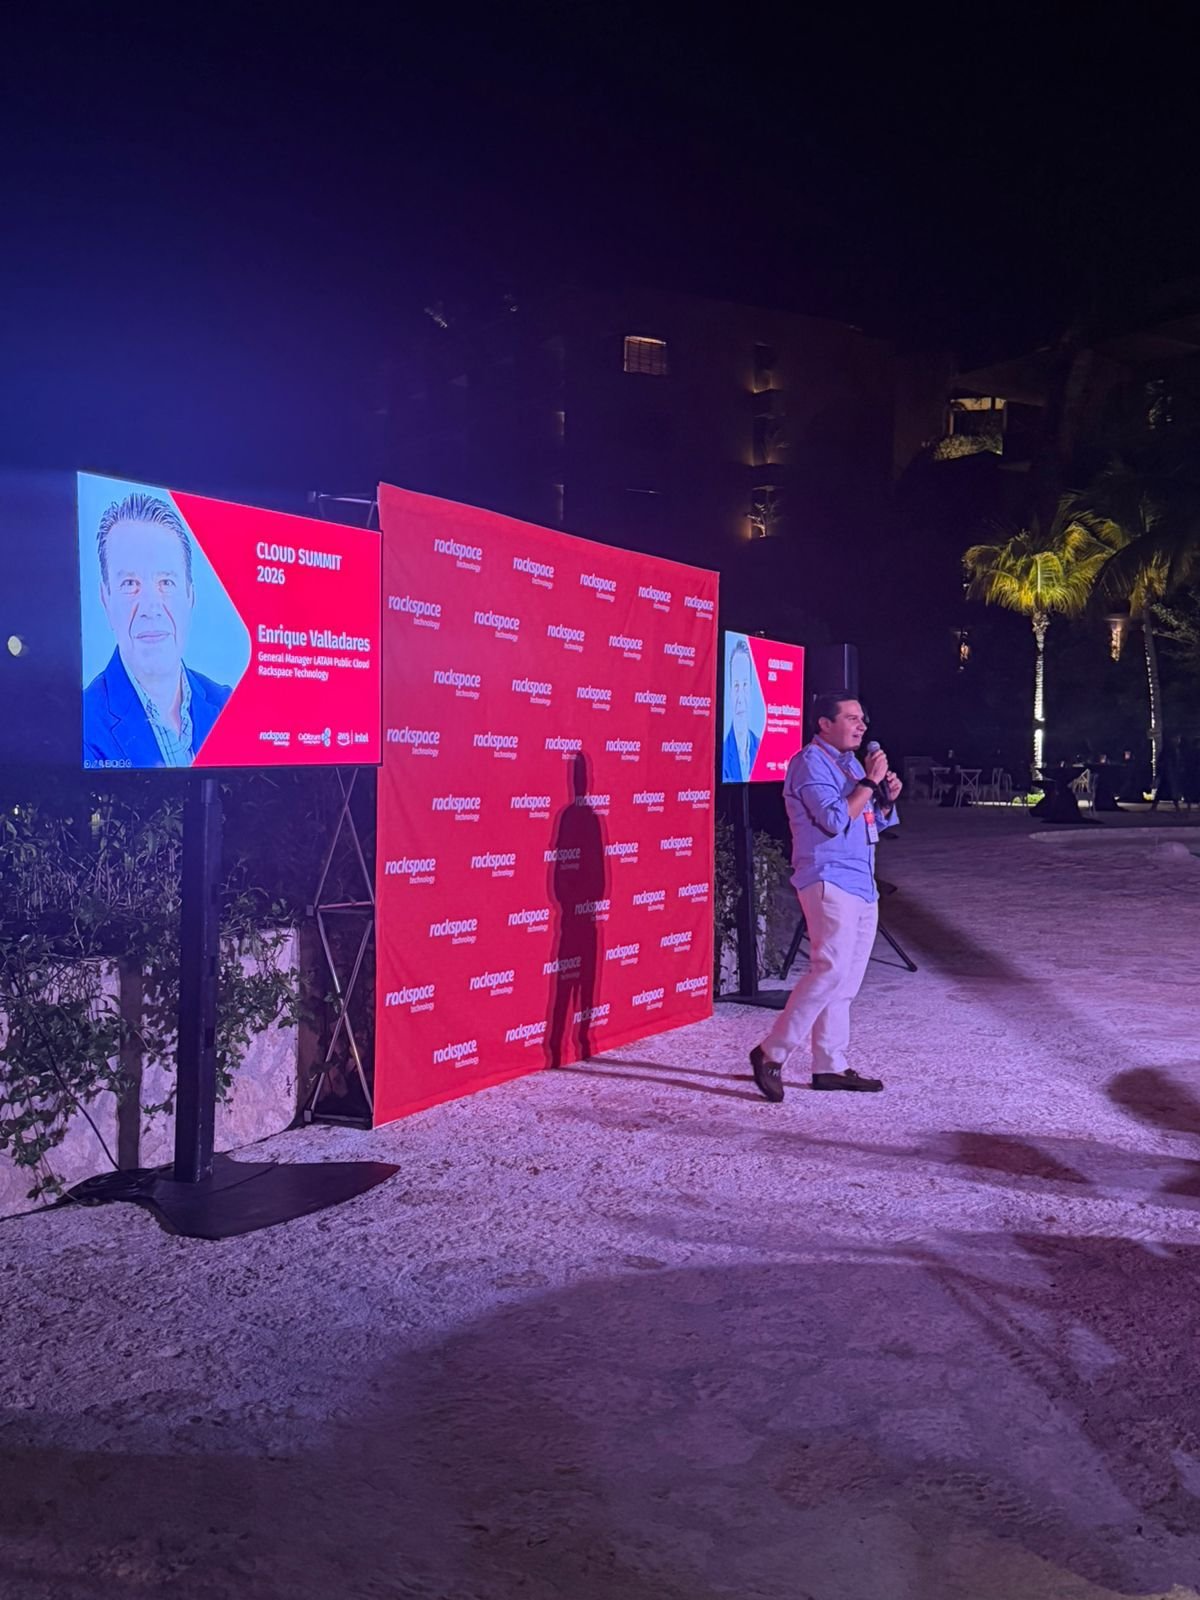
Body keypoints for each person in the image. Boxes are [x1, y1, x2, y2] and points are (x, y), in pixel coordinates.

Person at [749, 691, 901, 1101]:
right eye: (851, 718)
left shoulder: (851, 763)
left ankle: (830, 1065)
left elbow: (868, 820)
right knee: (829, 970)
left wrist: (886, 800)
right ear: (824, 724)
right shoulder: (809, 763)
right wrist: (869, 782)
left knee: (846, 981)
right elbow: (833, 819)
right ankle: (771, 1052)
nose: (861, 725)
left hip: (862, 881)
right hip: (828, 877)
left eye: (862, 718)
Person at [82, 493, 231, 768]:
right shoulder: (83, 726)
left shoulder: (229, 707)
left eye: (166, 582)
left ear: (190, 596)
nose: (151, 608)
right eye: (130, 583)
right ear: (106, 599)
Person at [721, 637, 761, 782]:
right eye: (736, 686)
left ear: (751, 689)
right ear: (730, 691)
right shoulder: (723, 753)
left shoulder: (761, 748)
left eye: (745, 685)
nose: (741, 698)